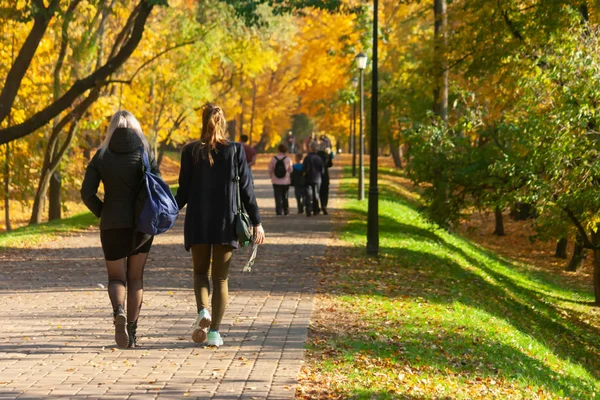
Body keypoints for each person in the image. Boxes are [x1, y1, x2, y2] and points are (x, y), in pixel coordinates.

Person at [175, 104, 265, 347]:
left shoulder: (190, 151)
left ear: (202, 122)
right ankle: (214, 333)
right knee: (221, 279)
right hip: (227, 222)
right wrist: (257, 222)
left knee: (200, 273)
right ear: (223, 122)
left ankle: (203, 311)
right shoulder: (236, 151)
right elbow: (247, 190)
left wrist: (166, 211)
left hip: (198, 221)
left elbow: (182, 192)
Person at [81, 110, 159, 349]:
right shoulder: (145, 154)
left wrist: (102, 211)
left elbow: (87, 193)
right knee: (136, 278)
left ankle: (118, 311)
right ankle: (132, 333)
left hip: (112, 223)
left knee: (116, 277)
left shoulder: (102, 156)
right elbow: (156, 188)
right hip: (142, 224)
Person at [268, 143, 293, 216]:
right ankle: (286, 210)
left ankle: (278, 211)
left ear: (278, 149)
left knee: (277, 196)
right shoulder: (288, 159)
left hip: (276, 180)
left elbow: (270, 169)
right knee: (285, 196)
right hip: (286, 181)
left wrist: (271, 176)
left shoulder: (274, 158)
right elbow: (291, 170)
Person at [303, 141, 325, 217]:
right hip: (317, 179)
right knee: (316, 194)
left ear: (311, 148)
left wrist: (304, 174)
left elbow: (304, 169)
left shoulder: (307, 158)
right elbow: (322, 170)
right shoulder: (319, 158)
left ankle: (308, 210)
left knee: (308, 195)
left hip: (308, 178)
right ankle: (316, 210)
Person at [318, 144, 334, 215]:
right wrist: (329, 155)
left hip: (317, 176)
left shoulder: (317, 156)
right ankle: (324, 205)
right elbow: (330, 164)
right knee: (325, 192)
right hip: (325, 176)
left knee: (317, 192)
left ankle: (317, 207)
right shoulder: (326, 156)